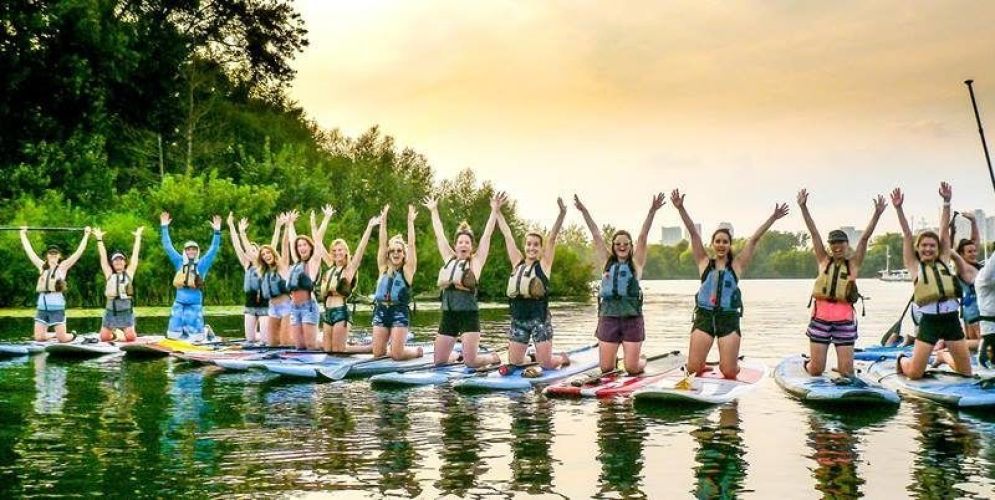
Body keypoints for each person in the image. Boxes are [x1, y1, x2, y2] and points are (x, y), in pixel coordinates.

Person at [673, 189, 789, 378]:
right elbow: (693, 234)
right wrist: (681, 208)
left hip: (728, 320)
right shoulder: (704, 263)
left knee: (727, 372)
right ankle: (701, 366)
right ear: (712, 244)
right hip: (704, 318)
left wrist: (773, 218)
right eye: (717, 241)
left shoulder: (736, 266)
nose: (721, 244)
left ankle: (734, 365)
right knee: (693, 369)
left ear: (729, 245)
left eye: (725, 242)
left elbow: (754, 240)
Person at [797, 190, 886, 377]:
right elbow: (814, 232)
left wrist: (877, 214)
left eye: (841, 243)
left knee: (847, 373)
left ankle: (843, 367)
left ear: (846, 245)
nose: (837, 246)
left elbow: (864, 239)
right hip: (820, 319)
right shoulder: (823, 260)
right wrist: (803, 207)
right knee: (816, 370)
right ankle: (808, 363)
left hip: (844, 321)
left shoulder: (853, 264)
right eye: (833, 243)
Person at [576, 193, 665, 375]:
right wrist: (584, 211)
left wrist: (652, 211)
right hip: (608, 317)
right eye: (618, 244)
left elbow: (643, 236)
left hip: (632, 319)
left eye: (625, 244)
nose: (622, 246)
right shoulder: (607, 263)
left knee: (631, 368)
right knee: (606, 368)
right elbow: (596, 234)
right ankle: (615, 362)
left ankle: (641, 360)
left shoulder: (636, 264)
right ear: (614, 246)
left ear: (630, 246)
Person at [891, 183, 972, 379]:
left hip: (951, 320)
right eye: (924, 246)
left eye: (932, 246)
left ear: (938, 248)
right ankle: (902, 359)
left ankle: (943, 356)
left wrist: (946, 202)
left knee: (966, 372)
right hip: (929, 323)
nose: (928, 249)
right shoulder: (914, 266)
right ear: (918, 249)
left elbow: (944, 230)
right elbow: (907, 235)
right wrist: (899, 209)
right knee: (914, 374)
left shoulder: (944, 260)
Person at [424, 193, 503, 367]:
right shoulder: (449, 259)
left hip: (468, 315)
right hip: (448, 314)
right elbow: (439, 235)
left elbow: (487, 236)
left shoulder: (476, 261)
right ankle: (456, 357)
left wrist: (494, 211)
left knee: (472, 362)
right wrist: (433, 210)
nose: (464, 245)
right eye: (460, 242)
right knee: (439, 362)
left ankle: (493, 358)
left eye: (467, 242)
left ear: (471, 246)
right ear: (455, 246)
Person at [496, 196, 568, 369]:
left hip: (539, 321)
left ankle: (562, 359)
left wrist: (562, 214)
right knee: (515, 363)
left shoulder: (544, 265)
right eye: (529, 244)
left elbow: (552, 238)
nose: (532, 248)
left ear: (541, 248)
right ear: (524, 246)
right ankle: (532, 357)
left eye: (536, 245)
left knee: (547, 365)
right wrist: (497, 211)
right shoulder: (517, 263)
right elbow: (507, 236)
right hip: (518, 319)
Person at [319, 214, 379, 353]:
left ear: (346, 252)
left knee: (338, 351)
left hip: (341, 313)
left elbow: (360, 250)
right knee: (328, 351)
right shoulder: (330, 267)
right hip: (327, 313)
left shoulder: (349, 269)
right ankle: (357, 345)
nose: (337, 253)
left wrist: (369, 227)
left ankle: (368, 349)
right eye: (334, 250)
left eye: (340, 250)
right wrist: (325, 218)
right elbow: (318, 242)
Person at [19, 226, 92, 342]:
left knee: (63, 339)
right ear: (47, 255)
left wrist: (86, 235)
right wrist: (22, 234)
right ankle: (53, 335)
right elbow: (29, 251)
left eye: (55, 253)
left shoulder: (63, 267)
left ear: (59, 256)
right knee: (39, 338)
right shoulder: (41, 266)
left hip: (56, 307)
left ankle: (73, 335)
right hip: (42, 307)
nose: (53, 255)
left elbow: (78, 253)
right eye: (50, 253)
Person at [371, 204, 424, 361]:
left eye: (399, 251)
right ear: (388, 253)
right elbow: (381, 243)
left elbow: (412, 245)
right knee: (378, 354)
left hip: (399, 313)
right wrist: (383, 219)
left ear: (403, 254)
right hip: (380, 312)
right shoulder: (382, 268)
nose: (395, 253)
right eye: (392, 250)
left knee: (396, 355)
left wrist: (410, 221)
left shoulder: (407, 271)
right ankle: (393, 345)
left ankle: (416, 351)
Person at [160, 212, 221, 342]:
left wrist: (217, 231)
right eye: (188, 249)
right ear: (185, 251)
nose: (191, 251)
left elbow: (213, 249)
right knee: (173, 335)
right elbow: (168, 246)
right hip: (179, 302)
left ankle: (204, 331)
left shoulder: (202, 264)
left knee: (197, 337)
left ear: (197, 251)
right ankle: (182, 333)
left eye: (194, 249)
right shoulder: (179, 262)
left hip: (194, 303)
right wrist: (164, 227)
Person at [283, 207, 331, 350]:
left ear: (310, 248)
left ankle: (332, 345)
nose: (301, 247)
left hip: (308, 307)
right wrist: (290, 223)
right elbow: (293, 241)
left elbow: (318, 239)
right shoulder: (296, 263)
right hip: (294, 307)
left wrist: (326, 218)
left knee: (310, 345)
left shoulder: (313, 262)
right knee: (299, 345)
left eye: (304, 245)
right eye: (299, 246)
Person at [228, 213, 277, 345]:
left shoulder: (265, 266)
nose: (250, 252)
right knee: (250, 340)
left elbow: (273, 244)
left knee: (265, 340)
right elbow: (237, 245)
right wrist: (231, 225)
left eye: (254, 250)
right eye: (249, 251)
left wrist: (277, 227)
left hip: (265, 306)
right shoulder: (246, 265)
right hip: (250, 306)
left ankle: (271, 337)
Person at [95, 226, 144, 342]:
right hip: (111, 311)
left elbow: (135, 255)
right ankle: (116, 334)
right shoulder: (109, 274)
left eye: (120, 259)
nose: (118, 261)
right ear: (112, 263)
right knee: (104, 338)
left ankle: (121, 333)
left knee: (131, 338)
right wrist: (99, 239)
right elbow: (103, 257)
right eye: (115, 260)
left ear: (124, 262)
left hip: (126, 311)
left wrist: (138, 237)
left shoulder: (129, 273)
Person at [257, 212, 292, 347]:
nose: (266, 255)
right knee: (271, 343)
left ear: (273, 253)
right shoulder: (263, 271)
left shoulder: (282, 266)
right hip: (272, 308)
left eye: (268, 252)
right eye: (263, 254)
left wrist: (287, 226)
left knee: (284, 342)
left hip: (286, 307)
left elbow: (284, 246)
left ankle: (310, 343)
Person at [951, 210, 983, 349]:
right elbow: (949, 250)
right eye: (969, 252)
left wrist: (973, 222)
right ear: (961, 255)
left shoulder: (976, 266)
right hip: (974, 314)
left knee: (977, 345)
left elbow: (975, 242)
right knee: (983, 343)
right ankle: (948, 345)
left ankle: (951, 344)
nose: (974, 253)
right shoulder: (963, 268)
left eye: (974, 251)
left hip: (975, 312)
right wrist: (949, 232)